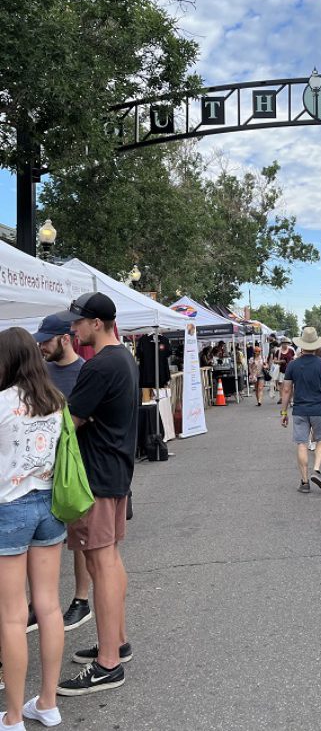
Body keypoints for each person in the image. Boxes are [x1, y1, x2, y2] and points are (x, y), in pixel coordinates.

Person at [54, 293, 138, 696]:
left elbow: (71, 420)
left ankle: (108, 663)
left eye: (78, 322)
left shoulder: (100, 365)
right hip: (115, 470)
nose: (73, 329)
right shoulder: (123, 358)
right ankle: (115, 644)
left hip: (96, 475)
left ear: (97, 323)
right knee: (108, 558)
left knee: (101, 562)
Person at [0, 327, 66, 730]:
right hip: (49, 504)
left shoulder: (3, 403)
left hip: (9, 507)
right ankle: (47, 701)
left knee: (10, 616)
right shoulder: (55, 401)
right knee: (49, 605)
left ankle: (11, 716)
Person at [32, 314, 93, 634]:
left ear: (65, 339)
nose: (41, 346)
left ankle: (81, 600)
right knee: (42, 538)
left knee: (79, 537)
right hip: (41, 469)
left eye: (46, 340)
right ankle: (38, 603)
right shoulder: (41, 372)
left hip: (74, 467)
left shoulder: (85, 373)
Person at [280, 327, 321, 493]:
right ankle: (317, 469)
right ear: (316, 345)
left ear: (302, 345)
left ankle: (305, 482)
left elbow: (286, 390)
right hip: (319, 409)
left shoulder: (293, 365)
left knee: (302, 443)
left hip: (299, 410)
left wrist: (283, 412)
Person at [274, 338, 295, 404]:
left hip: (290, 371)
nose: (285, 344)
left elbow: (295, 359)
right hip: (281, 371)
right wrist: (280, 361)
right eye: (283, 343)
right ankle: (282, 398)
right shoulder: (278, 351)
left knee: (291, 386)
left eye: (286, 343)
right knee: (282, 386)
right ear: (281, 344)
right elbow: (274, 361)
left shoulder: (291, 350)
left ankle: (291, 400)